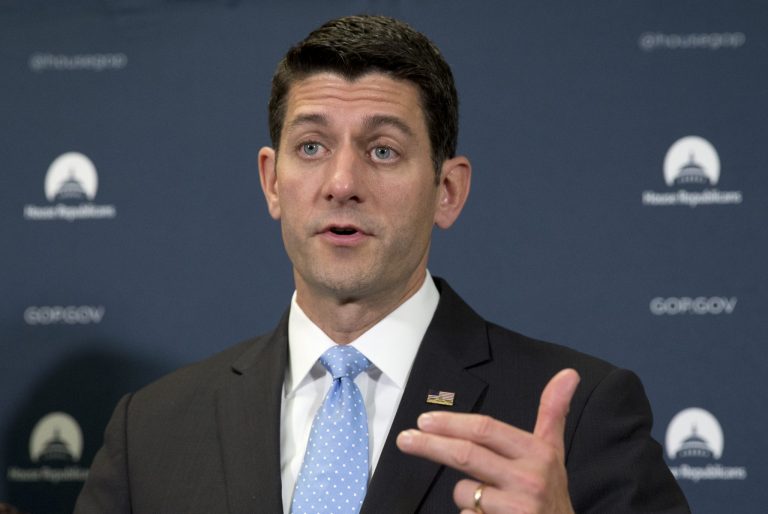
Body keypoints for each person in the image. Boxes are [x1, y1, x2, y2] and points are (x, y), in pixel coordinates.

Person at [75, 14, 690, 514]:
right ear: (272, 181)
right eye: (311, 146)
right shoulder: (150, 429)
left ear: (447, 191)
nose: (342, 183)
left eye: (383, 150)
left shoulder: (579, 418)